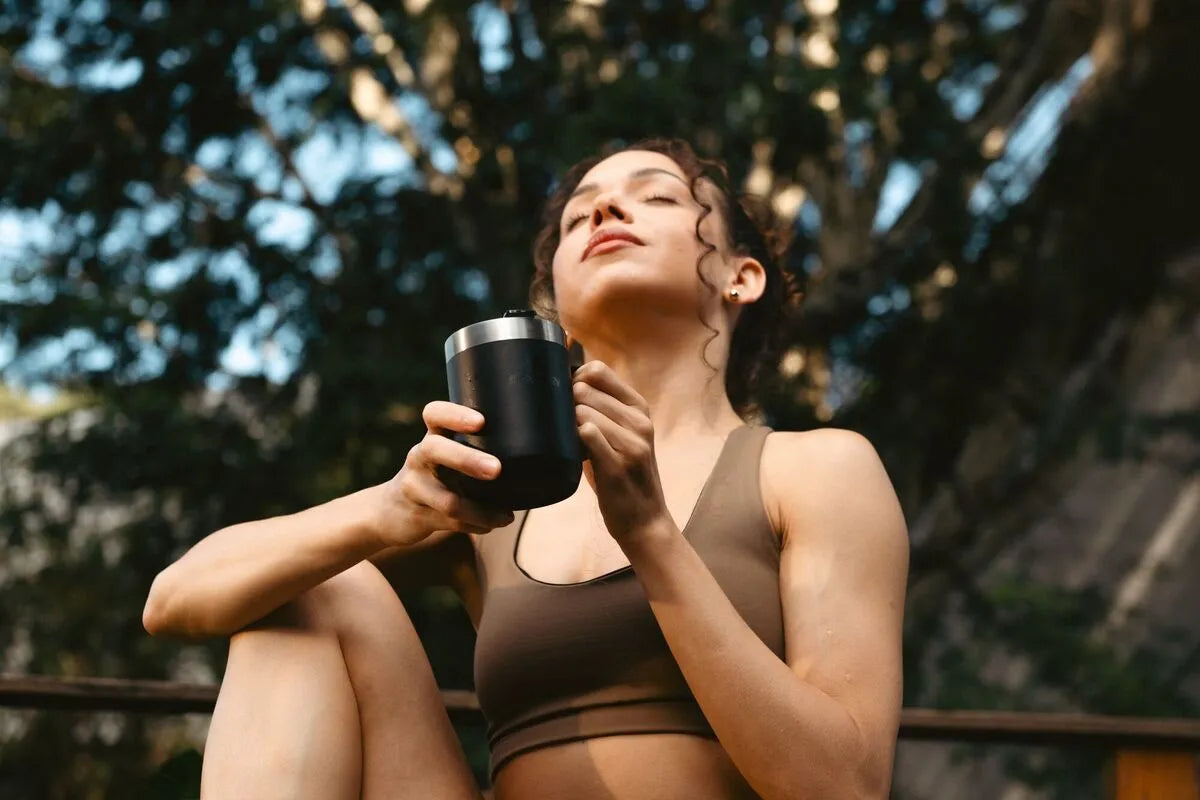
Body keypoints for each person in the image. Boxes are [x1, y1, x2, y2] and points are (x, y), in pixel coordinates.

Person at [142, 137, 909, 800]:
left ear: (741, 277)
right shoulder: (501, 494)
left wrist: (649, 532)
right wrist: (388, 510)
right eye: (579, 215)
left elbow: (841, 786)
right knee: (314, 588)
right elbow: (174, 600)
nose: (605, 213)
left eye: (656, 197)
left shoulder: (814, 469)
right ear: (554, 306)